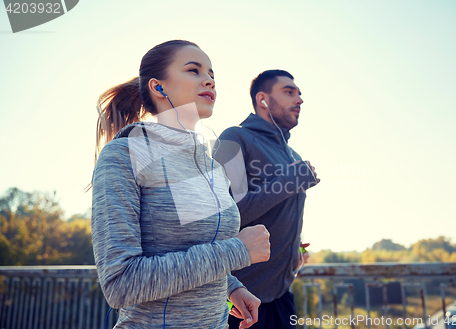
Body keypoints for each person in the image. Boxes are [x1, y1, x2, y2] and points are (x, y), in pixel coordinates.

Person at [90, 40, 271, 329]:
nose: (209, 80)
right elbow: (120, 284)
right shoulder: (123, 155)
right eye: (194, 70)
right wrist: (237, 250)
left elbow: (199, 246)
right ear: (158, 87)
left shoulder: (211, 165)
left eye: (211, 73)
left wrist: (231, 286)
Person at [213, 70, 320, 329]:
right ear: (263, 99)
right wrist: (290, 180)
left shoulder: (292, 153)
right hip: (237, 303)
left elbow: (279, 216)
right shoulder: (232, 138)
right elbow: (228, 214)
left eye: (299, 94)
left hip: (281, 298)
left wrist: (295, 249)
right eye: (288, 92)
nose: (299, 100)